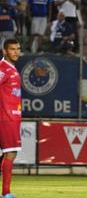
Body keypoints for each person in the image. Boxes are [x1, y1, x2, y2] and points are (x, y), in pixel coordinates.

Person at [0, 38, 22, 198]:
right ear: (4, 51)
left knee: (6, 154)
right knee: (11, 153)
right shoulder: (3, 69)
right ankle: (6, 193)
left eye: (18, 49)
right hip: (6, 118)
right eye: (12, 49)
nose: (16, 52)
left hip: (11, 117)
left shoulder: (12, 69)